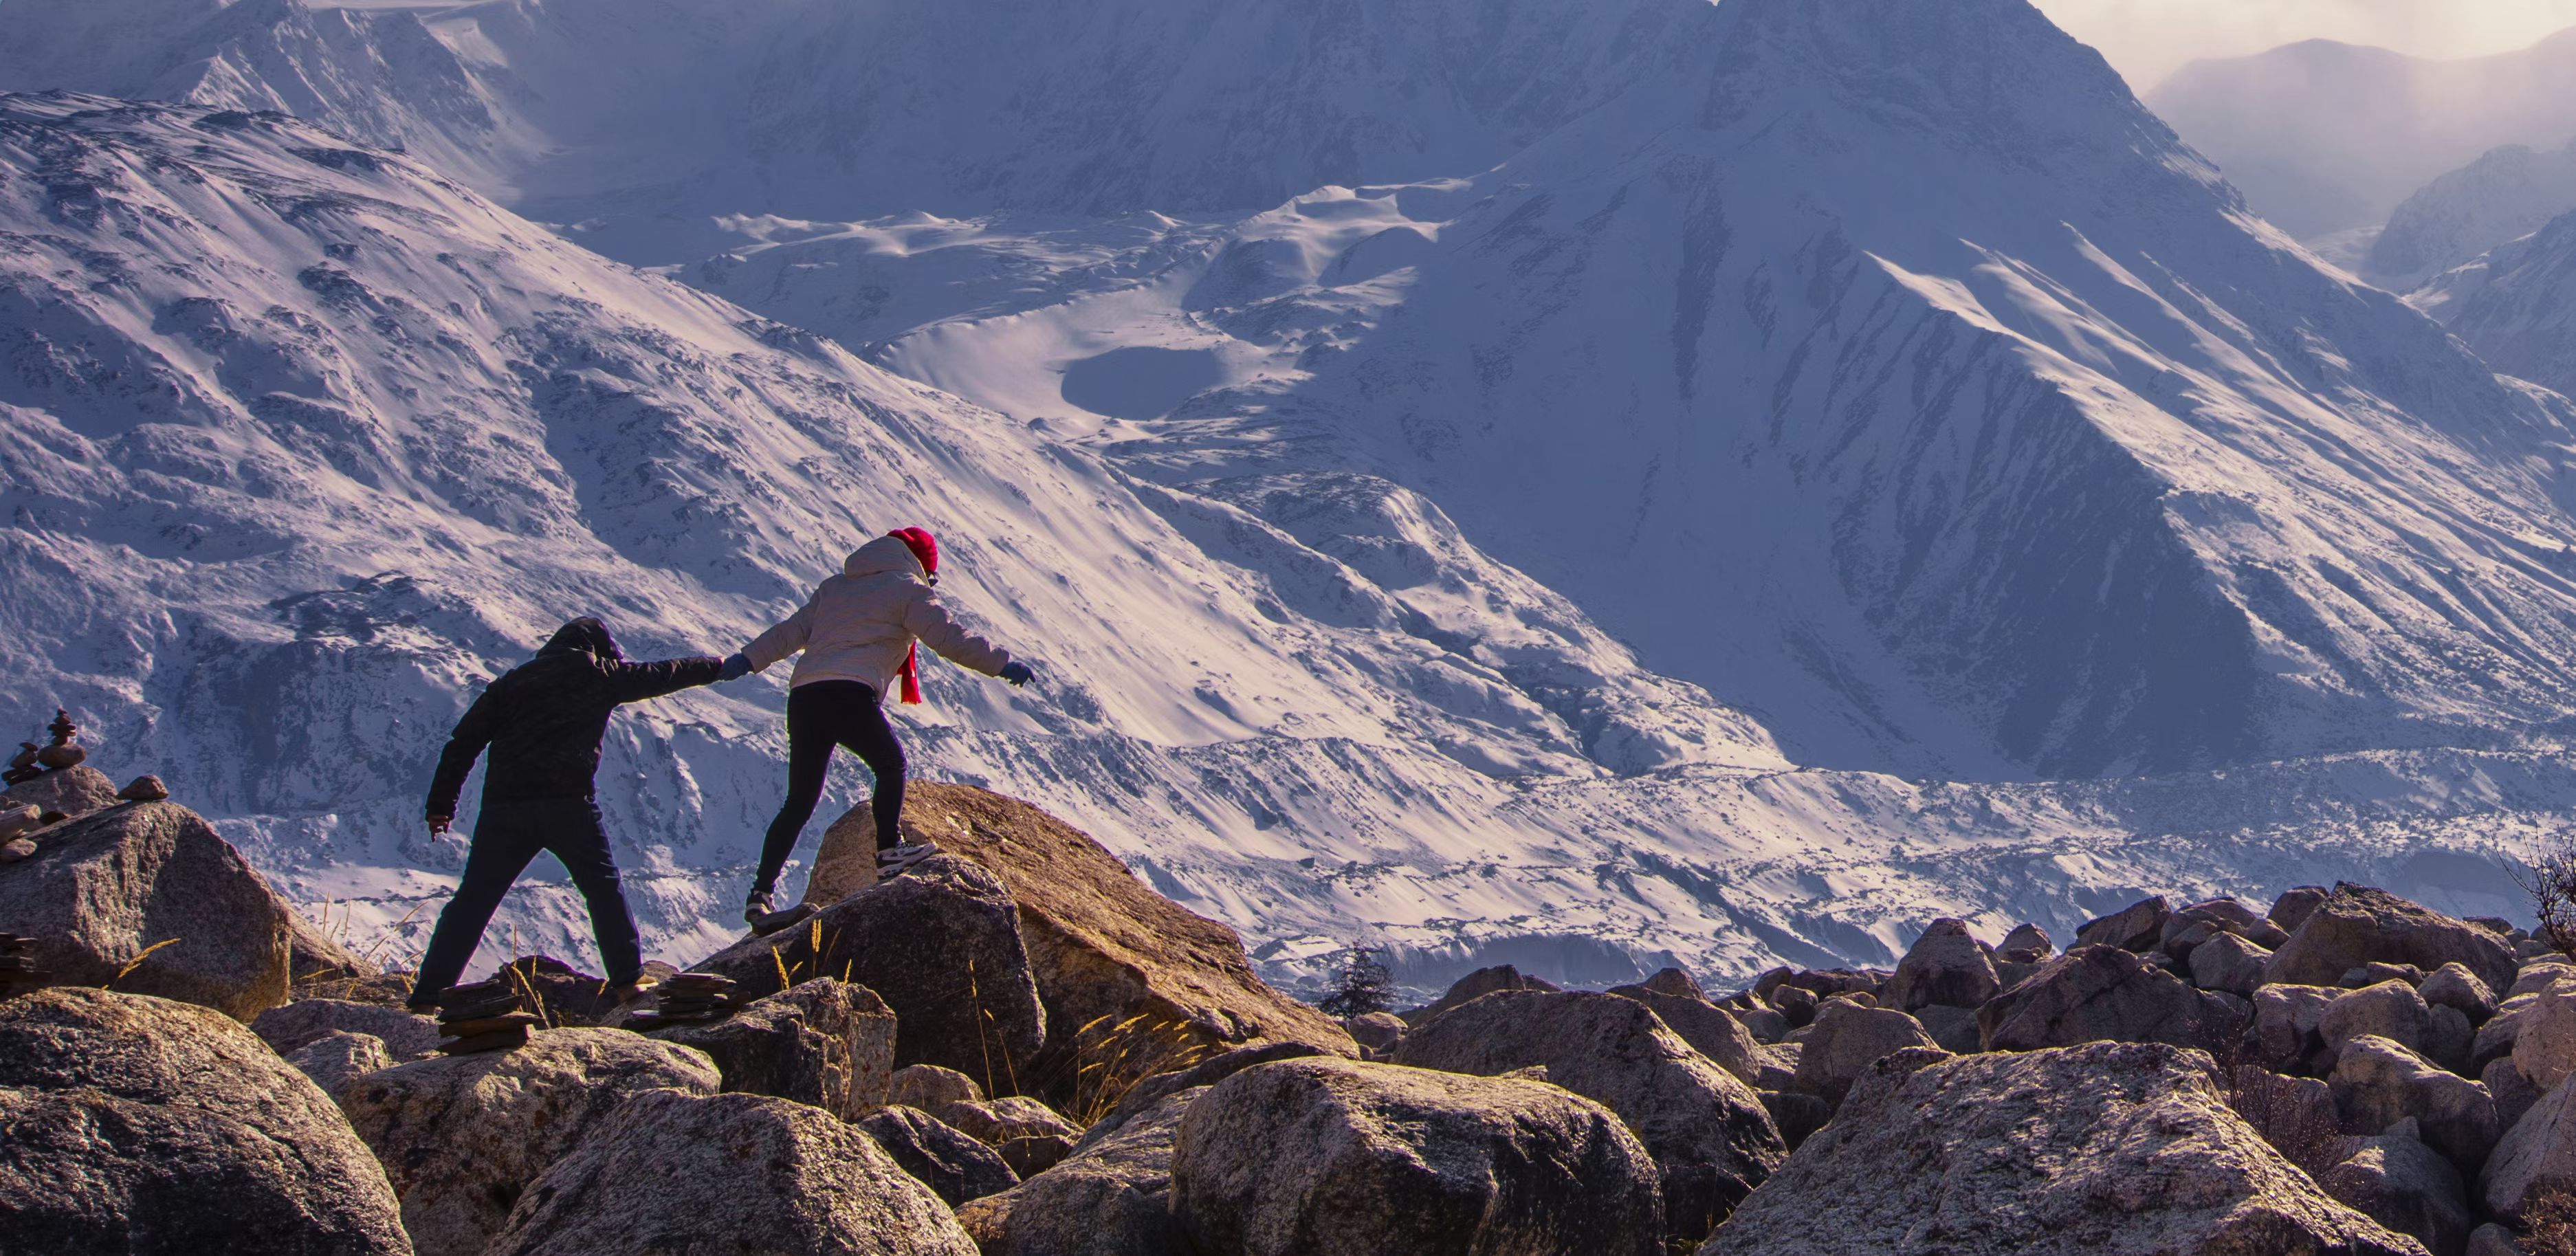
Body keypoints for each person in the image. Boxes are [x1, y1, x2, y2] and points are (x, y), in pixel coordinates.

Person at [407, 617, 729, 1013]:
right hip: (569, 804)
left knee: (473, 901)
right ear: (598, 650)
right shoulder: (599, 675)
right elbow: (665, 673)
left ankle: (428, 996)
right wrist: (717, 665)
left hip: (505, 808)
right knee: (603, 888)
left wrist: (441, 806)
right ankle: (627, 981)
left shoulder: (511, 684)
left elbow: (462, 744)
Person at [729, 527, 1035, 933]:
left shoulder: (834, 588)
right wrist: (1001, 664)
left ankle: (760, 894)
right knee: (891, 765)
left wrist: (746, 660)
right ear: (922, 564)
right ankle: (890, 852)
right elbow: (949, 638)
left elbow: (788, 633)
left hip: (805, 697)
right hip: (849, 692)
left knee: (799, 801)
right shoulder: (907, 588)